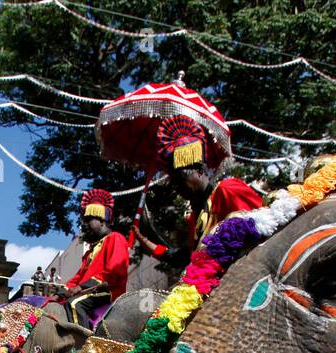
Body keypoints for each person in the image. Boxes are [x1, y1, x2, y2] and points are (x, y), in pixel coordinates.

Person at [134, 115, 262, 270]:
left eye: (181, 180)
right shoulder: (196, 217)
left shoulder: (227, 190)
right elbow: (187, 258)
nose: (178, 188)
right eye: (174, 183)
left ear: (200, 171)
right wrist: (146, 242)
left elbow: (260, 235)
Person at [51, 188, 131, 328]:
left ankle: (82, 346)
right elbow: (78, 278)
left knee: (74, 304)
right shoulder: (90, 251)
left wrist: (81, 287)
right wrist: (60, 293)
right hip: (88, 292)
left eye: (88, 220)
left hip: (107, 292)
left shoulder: (116, 238)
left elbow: (113, 273)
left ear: (102, 220)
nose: (84, 224)